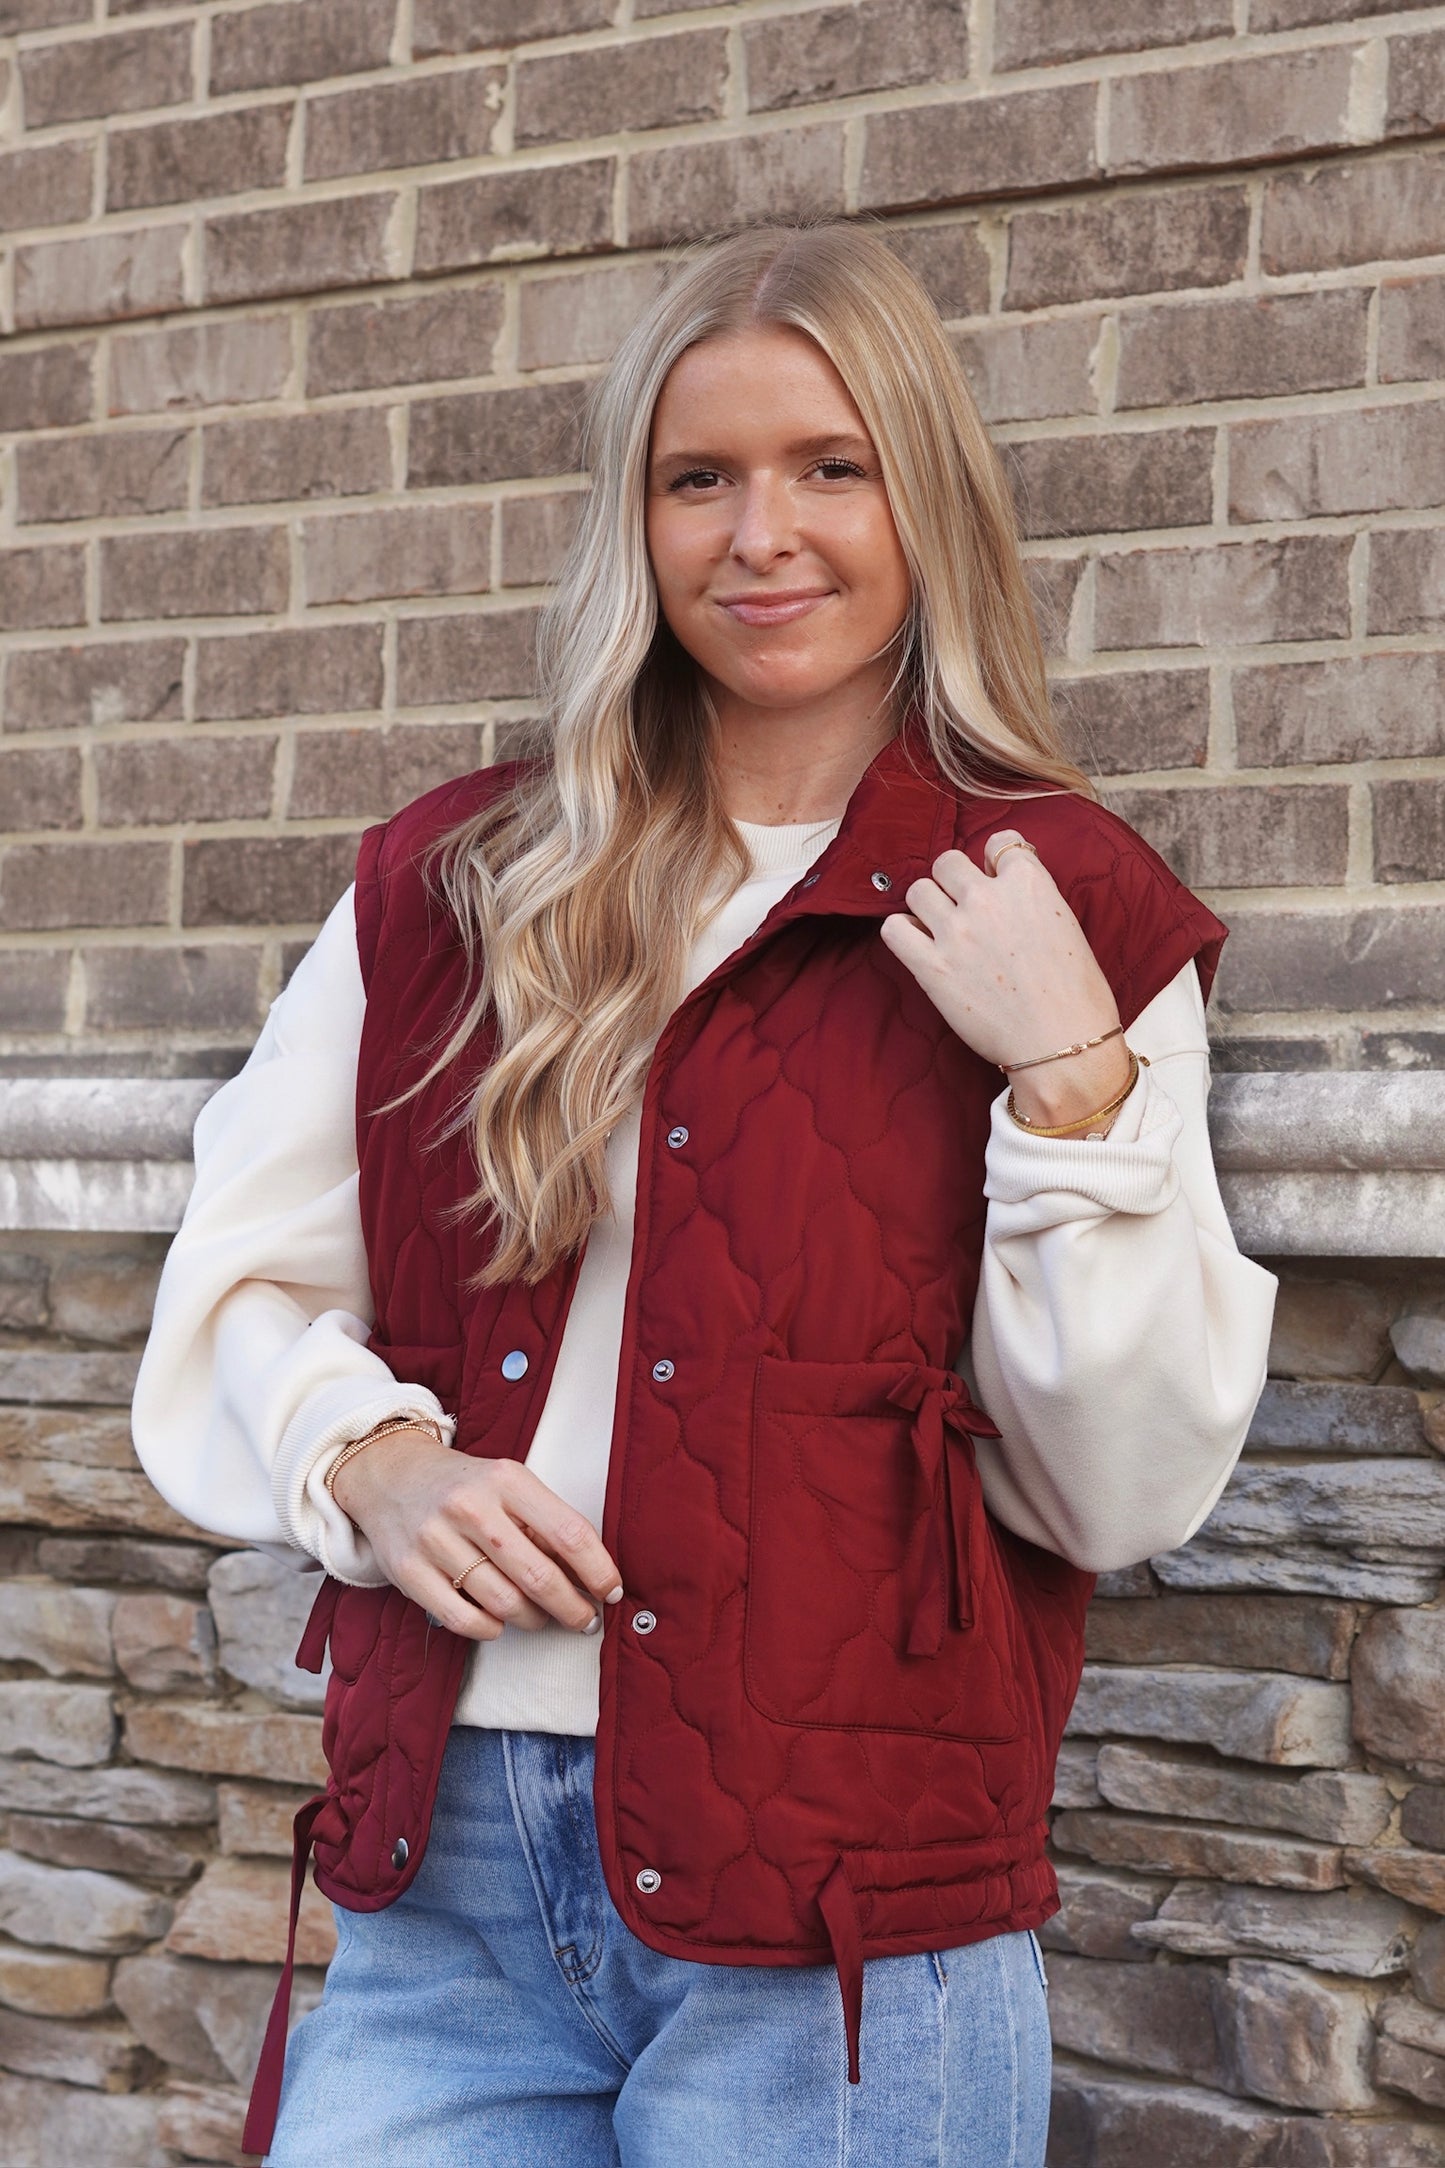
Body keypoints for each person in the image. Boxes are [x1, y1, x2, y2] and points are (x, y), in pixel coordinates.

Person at [132, 219, 1277, 2168]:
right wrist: (380, 1465)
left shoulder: (1063, 906)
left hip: (844, 1940)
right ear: (634, 523)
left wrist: (1068, 1079)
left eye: (832, 468)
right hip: (453, 1883)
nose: (764, 533)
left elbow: (1117, 1485)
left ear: (926, 500)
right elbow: (237, 1281)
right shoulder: (448, 885)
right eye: (700, 478)